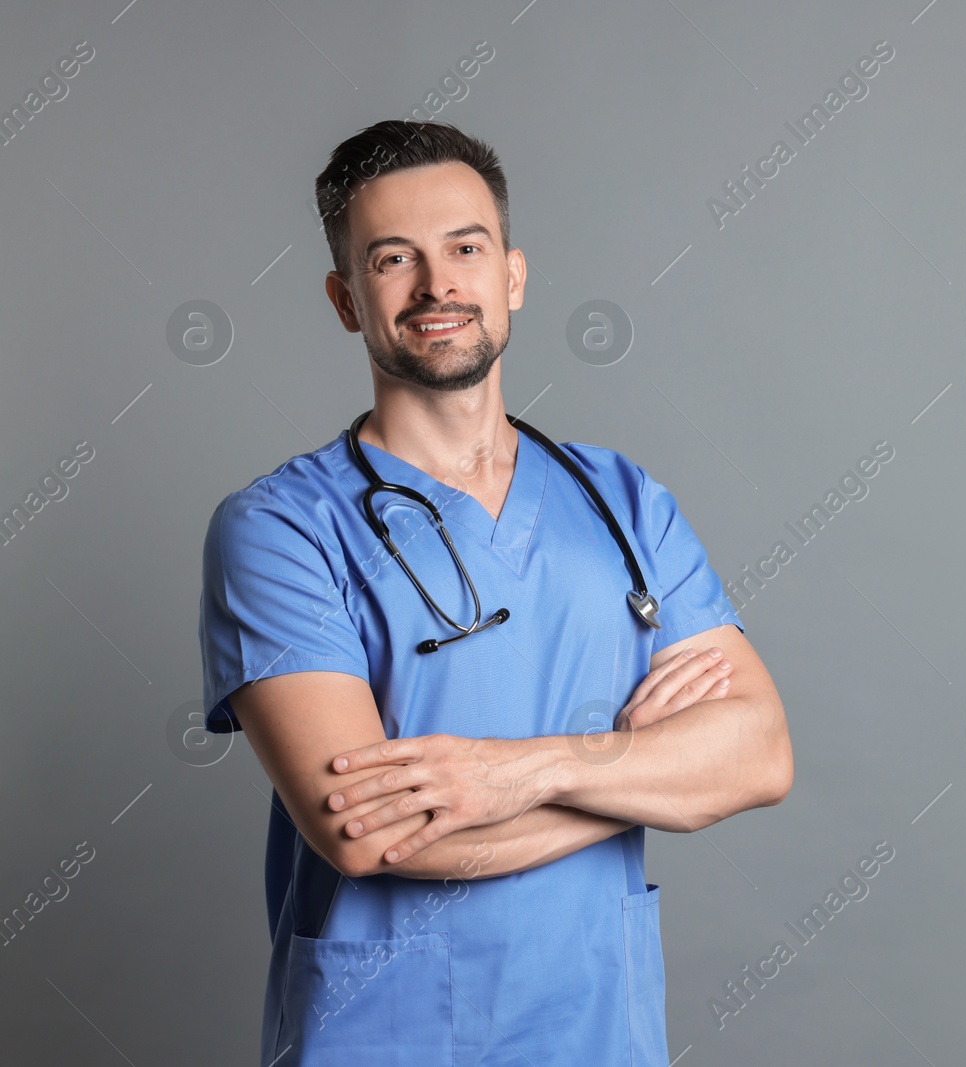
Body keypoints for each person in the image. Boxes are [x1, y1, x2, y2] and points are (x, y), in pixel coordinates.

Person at [196, 119, 792, 1066]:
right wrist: (642, 771)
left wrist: (525, 771)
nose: (439, 285)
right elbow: (366, 833)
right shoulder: (278, 528)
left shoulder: (620, 499)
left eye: (465, 248)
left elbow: (759, 754)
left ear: (512, 273)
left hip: (599, 1028)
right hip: (382, 1032)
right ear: (346, 299)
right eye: (394, 259)